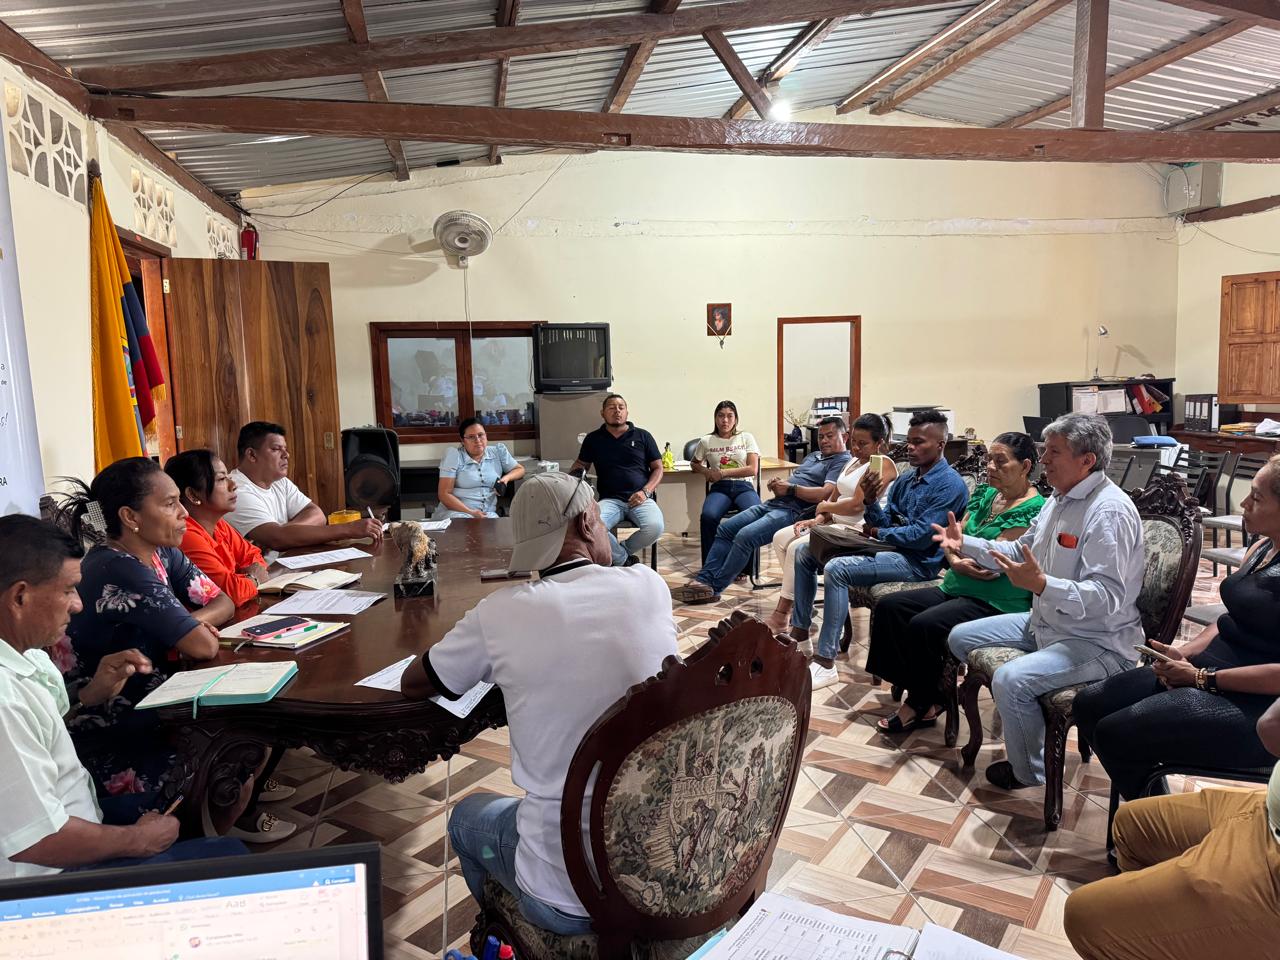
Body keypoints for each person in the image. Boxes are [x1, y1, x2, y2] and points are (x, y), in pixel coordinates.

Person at [400, 472, 677, 934]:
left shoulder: (501, 612)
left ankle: (511, 939)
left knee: (466, 819)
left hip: (569, 893)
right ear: (587, 522)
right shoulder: (649, 586)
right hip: (665, 862)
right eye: (601, 521)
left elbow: (415, 682)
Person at [53, 457, 291, 843]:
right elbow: (203, 645)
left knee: (252, 734)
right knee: (238, 748)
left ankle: (212, 836)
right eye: (169, 504)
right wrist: (189, 629)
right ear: (130, 517)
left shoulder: (161, 552)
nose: (183, 513)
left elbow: (223, 600)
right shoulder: (118, 568)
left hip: (160, 705)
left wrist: (186, 621)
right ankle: (196, 849)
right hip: (114, 731)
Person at [0, 515, 246, 880]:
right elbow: (37, 839)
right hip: (51, 874)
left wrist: (91, 693)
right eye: (68, 590)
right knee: (229, 859)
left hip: (80, 815)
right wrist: (138, 840)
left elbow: (41, 727)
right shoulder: (4, 700)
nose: (78, 605)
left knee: (207, 793)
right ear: (20, 597)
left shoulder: (27, 653)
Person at [940, 413, 1142, 790]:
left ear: (1087, 460)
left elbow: (1108, 597)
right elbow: (1020, 549)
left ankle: (1031, 773)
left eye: (1053, 452)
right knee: (959, 637)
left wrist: (1043, 585)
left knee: (1011, 680)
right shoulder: (1059, 499)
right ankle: (1030, 722)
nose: (1043, 460)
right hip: (1046, 623)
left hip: (1096, 640)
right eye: (1044, 450)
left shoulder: (1108, 511)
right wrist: (965, 543)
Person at [1074, 452, 1280, 803]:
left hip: (1258, 704)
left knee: (1115, 733)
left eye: (1257, 498)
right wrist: (1184, 653)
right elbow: (1229, 618)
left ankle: (1153, 820)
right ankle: (1151, 806)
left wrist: (1202, 678)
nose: (1244, 504)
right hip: (1207, 673)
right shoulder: (1262, 547)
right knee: (1089, 703)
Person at [1061, 695, 1280, 960]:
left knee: (1085, 918)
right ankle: (1169, 932)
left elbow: (1270, 727)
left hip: (1273, 874)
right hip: (1265, 809)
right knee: (1132, 825)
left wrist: (1204, 678)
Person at [867, 433, 1044, 733]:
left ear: (1025, 466)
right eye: (989, 459)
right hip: (957, 584)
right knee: (890, 607)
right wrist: (954, 560)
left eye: (1000, 461)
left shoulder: (1033, 508)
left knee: (924, 625)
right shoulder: (987, 495)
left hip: (994, 600)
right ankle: (928, 691)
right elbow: (952, 537)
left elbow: (996, 560)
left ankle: (920, 704)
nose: (991, 467)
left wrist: (962, 555)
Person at [789, 410, 969, 692]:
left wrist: (877, 532)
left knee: (837, 568)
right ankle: (800, 635)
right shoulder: (907, 480)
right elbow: (884, 521)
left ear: (940, 445)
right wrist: (871, 502)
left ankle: (826, 661)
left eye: (919, 442)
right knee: (805, 552)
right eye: (909, 441)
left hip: (917, 562)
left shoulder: (950, 485)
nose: (910, 448)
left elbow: (921, 537)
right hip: (889, 547)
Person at [673, 416, 852, 605]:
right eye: (821, 436)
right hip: (774, 504)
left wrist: (790, 489)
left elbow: (825, 494)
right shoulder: (813, 456)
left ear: (845, 437)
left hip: (794, 512)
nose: (824, 441)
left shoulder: (841, 461)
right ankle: (704, 580)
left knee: (745, 536)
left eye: (830, 436)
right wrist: (779, 484)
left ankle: (714, 589)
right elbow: (799, 480)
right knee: (725, 529)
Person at [764, 412, 897, 634]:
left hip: (857, 528)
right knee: (780, 538)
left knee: (797, 548)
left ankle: (783, 614)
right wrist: (816, 519)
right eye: (854, 442)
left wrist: (825, 507)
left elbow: (857, 505)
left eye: (863, 444)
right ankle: (802, 603)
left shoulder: (882, 464)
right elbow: (834, 497)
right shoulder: (852, 461)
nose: (856, 448)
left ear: (879, 443)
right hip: (834, 523)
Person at [225, 421, 382, 551]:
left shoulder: (280, 482)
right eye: (276, 449)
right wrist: (349, 529)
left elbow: (317, 515)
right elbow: (277, 539)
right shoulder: (235, 490)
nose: (286, 455)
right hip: (259, 575)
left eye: (285, 449)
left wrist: (284, 531)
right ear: (252, 455)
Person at [165, 449, 269, 607]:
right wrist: (253, 579)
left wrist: (245, 580)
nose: (233, 485)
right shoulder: (186, 534)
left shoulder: (219, 524)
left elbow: (255, 557)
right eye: (221, 479)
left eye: (229, 478)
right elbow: (230, 594)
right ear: (193, 495)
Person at [569, 394, 664, 567]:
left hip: (641, 498)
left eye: (621, 407)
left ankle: (621, 553)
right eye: (612, 408)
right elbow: (581, 464)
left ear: (627, 412)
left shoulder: (643, 436)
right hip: (610, 499)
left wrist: (645, 491)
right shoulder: (593, 439)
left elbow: (658, 468)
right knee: (590, 525)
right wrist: (573, 475)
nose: (617, 411)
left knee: (655, 527)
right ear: (602, 413)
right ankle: (623, 559)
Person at [690, 400, 761, 568]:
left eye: (730, 416)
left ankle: (746, 567)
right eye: (721, 416)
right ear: (715, 418)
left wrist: (722, 473)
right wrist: (706, 472)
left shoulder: (746, 437)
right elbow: (694, 463)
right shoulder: (706, 440)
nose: (725, 420)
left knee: (755, 514)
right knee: (708, 517)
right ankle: (711, 566)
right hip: (720, 488)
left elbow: (752, 469)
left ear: (736, 419)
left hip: (744, 487)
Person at [433, 417, 525, 520]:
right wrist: (471, 512)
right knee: (467, 525)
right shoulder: (454, 456)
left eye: (481, 435)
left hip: (487, 514)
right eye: (471, 437)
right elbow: (444, 494)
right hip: (457, 513)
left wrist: (505, 479)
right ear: (462, 441)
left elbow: (520, 470)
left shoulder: (498, 452)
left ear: (486, 436)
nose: (477, 440)